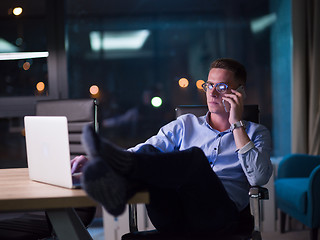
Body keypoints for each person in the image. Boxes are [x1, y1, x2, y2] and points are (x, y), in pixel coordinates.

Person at [72, 58, 273, 237]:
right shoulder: (186, 124)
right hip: (175, 216)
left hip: (219, 219)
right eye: (209, 85)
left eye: (221, 87)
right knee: (150, 153)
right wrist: (96, 162)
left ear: (239, 92)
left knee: (194, 158)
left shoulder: (256, 133)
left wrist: (236, 123)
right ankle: (116, 185)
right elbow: (145, 150)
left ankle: (120, 186)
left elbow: (258, 178)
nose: (211, 92)